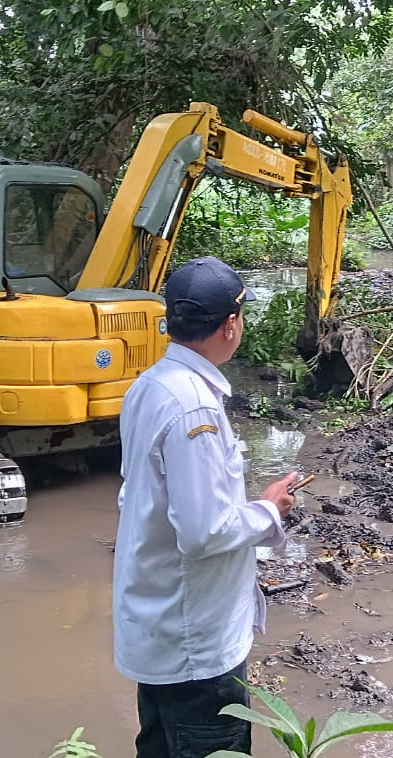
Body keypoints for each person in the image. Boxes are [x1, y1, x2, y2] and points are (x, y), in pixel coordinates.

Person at [113, 255, 300, 758]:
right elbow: (203, 532)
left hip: (161, 625)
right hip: (195, 643)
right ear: (231, 324)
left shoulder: (150, 385)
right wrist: (269, 509)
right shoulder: (193, 404)